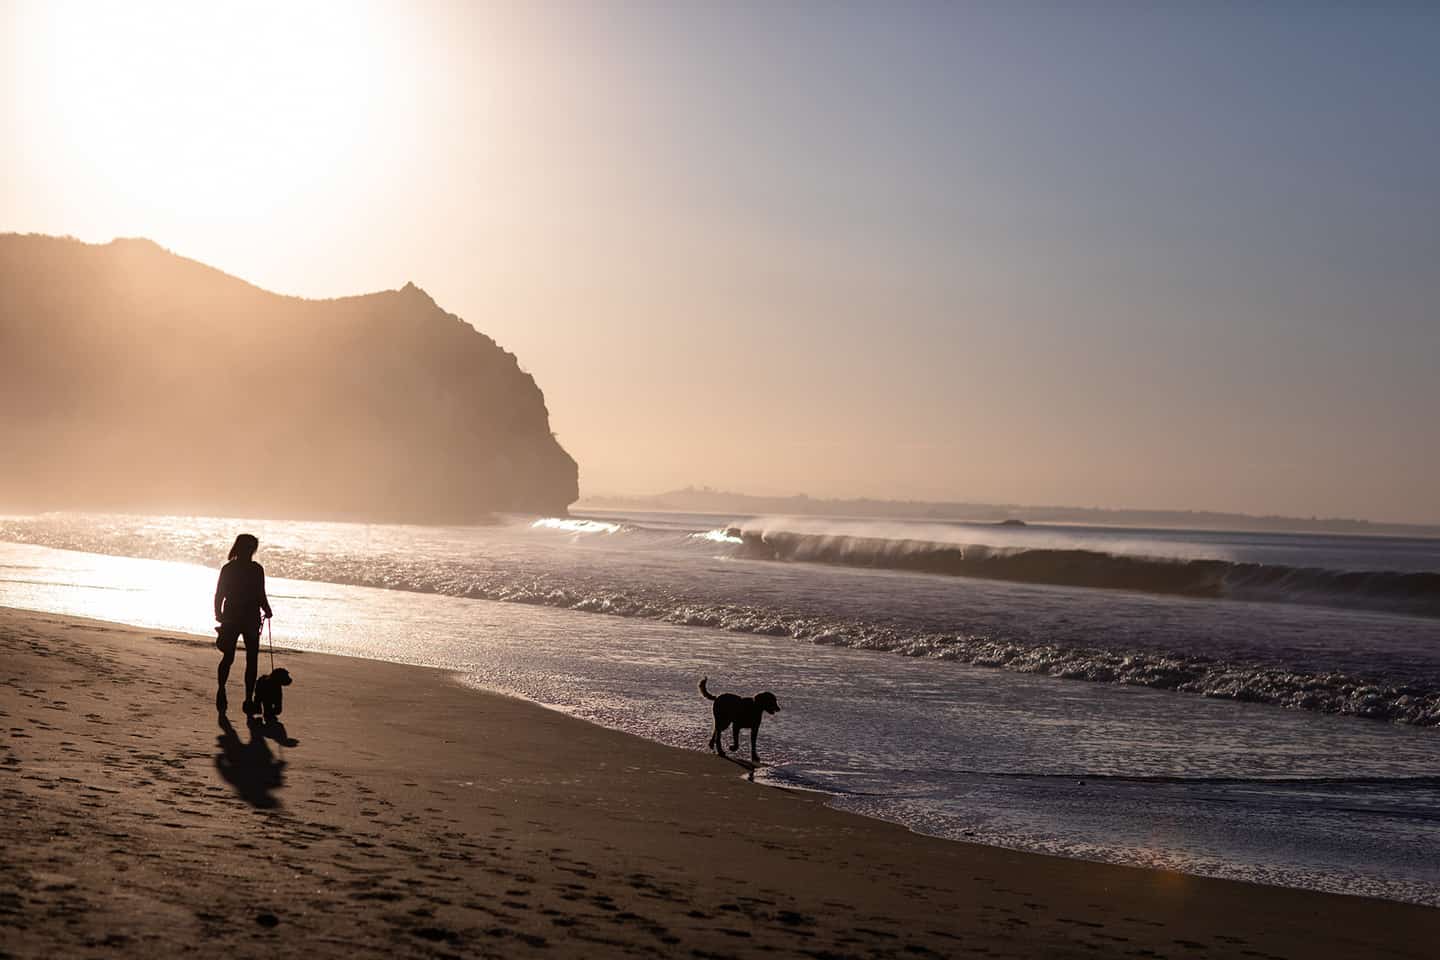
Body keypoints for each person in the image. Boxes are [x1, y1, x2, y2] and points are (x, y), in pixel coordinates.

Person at [214, 533, 273, 717]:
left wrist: (219, 614)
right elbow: (259, 594)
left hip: (234, 616)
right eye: (250, 548)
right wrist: (267, 609)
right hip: (248, 617)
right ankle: (244, 698)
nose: (251, 551)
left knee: (232, 657)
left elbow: (219, 595)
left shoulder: (230, 568)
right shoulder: (255, 569)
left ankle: (231, 692)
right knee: (247, 659)